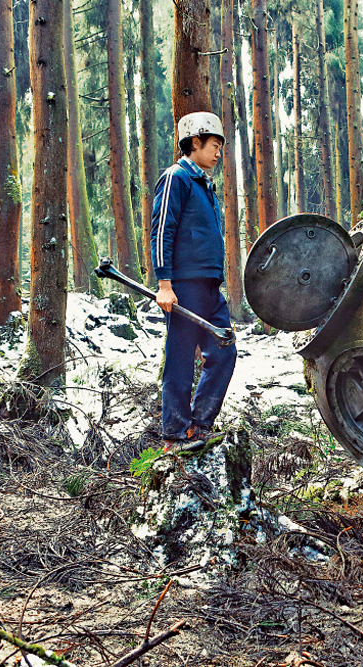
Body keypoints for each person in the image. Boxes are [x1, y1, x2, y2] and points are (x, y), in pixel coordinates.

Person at [151, 111, 237, 447]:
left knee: (224, 351)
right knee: (181, 357)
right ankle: (175, 429)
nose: (218, 152)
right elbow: (162, 231)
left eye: (221, 147)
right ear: (195, 142)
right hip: (184, 286)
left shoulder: (204, 185)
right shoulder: (177, 177)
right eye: (214, 145)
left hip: (209, 287)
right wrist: (165, 284)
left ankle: (200, 423)